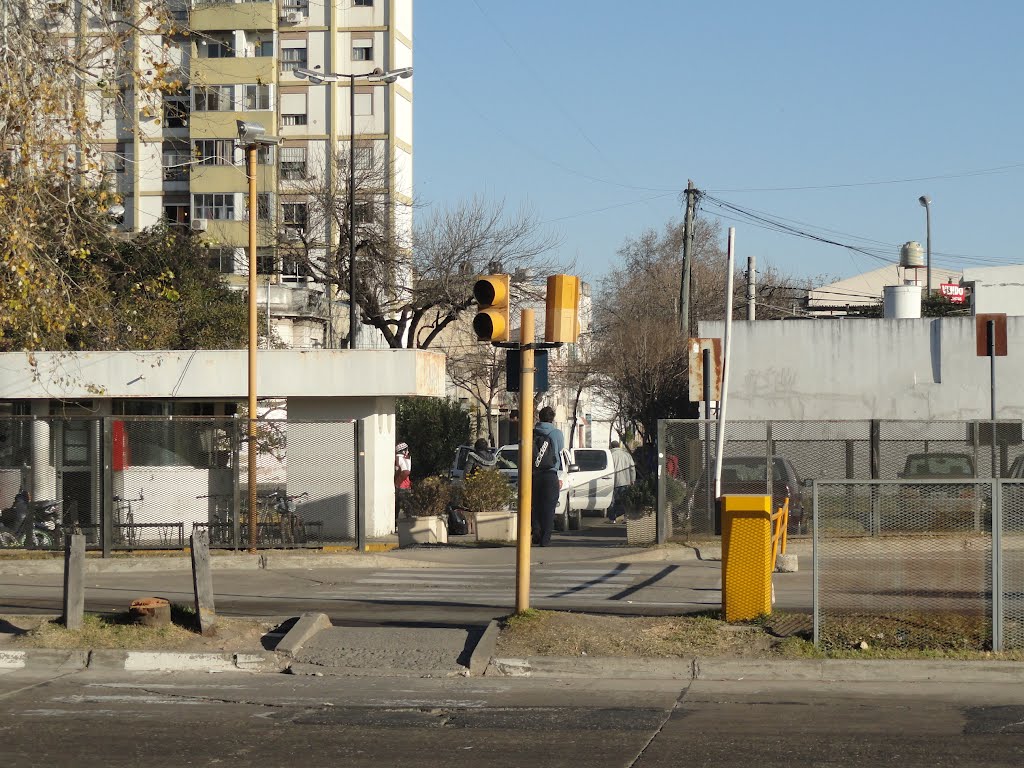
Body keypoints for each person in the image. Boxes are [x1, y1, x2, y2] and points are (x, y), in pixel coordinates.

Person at [531, 406, 564, 547]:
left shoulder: (531, 431)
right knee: (549, 507)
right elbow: (560, 451)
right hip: (550, 473)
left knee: (535, 505)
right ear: (552, 418)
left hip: (534, 474)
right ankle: (545, 539)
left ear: (539, 417)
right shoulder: (556, 433)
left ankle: (536, 531)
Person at [609, 440, 637, 523]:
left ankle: (612, 519)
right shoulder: (626, 455)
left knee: (612, 501)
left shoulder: (610, 455)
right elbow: (632, 468)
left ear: (611, 446)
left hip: (613, 482)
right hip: (625, 480)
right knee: (625, 500)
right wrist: (633, 479)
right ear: (619, 446)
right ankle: (625, 517)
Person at [394, 442, 412, 523]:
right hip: (405, 485)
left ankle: (396, 523)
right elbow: (406, 472)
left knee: (399, 505)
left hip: (401, 486)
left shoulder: (399, 458)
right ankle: (408, 522)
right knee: (406, 505)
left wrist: (397, 483)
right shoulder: (405, 458)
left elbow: (405, 472)